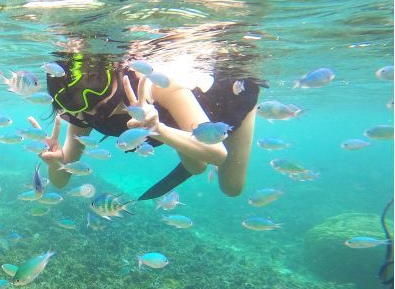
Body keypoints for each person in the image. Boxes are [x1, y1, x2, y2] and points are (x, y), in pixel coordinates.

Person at [36, 51, 264, 199]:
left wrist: (159, 129)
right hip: (185, 132)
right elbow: (60, 181)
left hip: (228, 98)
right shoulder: (84, 113)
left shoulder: (156, 82)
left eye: (97, 90)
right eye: (78, 104)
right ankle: (185, 138)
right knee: (197, 167)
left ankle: (244, 106)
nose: (93, 109)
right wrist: (56, 162)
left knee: (232, 186)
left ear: (113, 71)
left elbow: (217, 153)